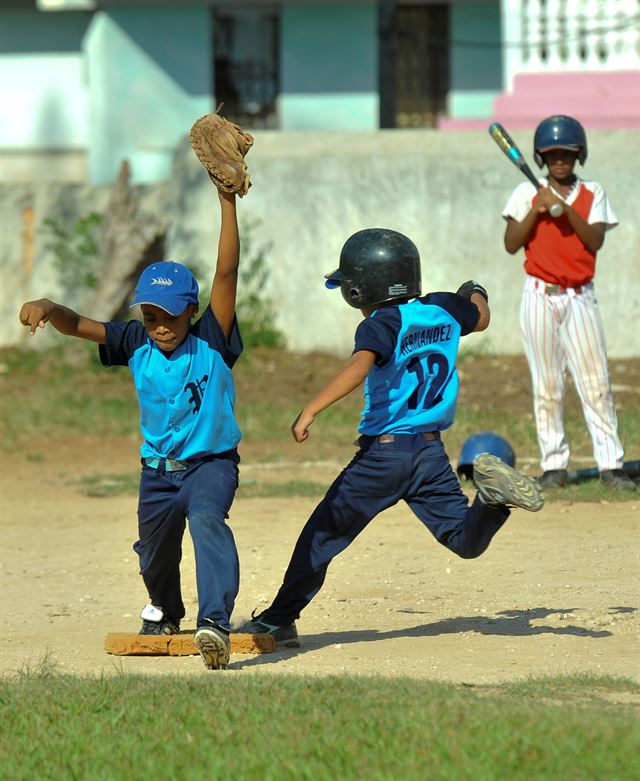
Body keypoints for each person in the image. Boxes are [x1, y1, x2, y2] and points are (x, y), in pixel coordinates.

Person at [245, 228, 544, 647]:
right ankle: (491, 503)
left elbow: (359, 367)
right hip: (430, 454)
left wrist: (311, 409)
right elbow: (481, 315)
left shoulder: (381, 324)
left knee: (322, 533)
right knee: (463, 539)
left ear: (359, 290)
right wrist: (476, 291)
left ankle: (279, 619)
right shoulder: (443, 308)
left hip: (384, 457)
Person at [19, 190, 244, 670]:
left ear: (191, 310)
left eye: (169, 315)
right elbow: (81, 326)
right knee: (152, 553)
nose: (159, 326)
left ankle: (215, 624)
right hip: (158, 474)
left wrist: (227, 201)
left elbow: (226, 273)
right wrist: (50, 305)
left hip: (211, 465)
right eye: (150, 316)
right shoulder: (135, 341)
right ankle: (165, 610)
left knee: (207, 521)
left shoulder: (212, 339)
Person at [502, 115, 635, 492]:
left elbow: (594, 240)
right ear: (541, 157)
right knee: (546, 384)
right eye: (552, 154)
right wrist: (538, 209)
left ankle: (610, 465)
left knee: (596, 382)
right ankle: (553, 465)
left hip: (580, 298)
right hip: (538, 296)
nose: (560, 160)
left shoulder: (593, 192)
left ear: (580, 154)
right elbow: (512, 243)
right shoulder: (526, 193)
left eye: (567, 153)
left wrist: (564, 207)